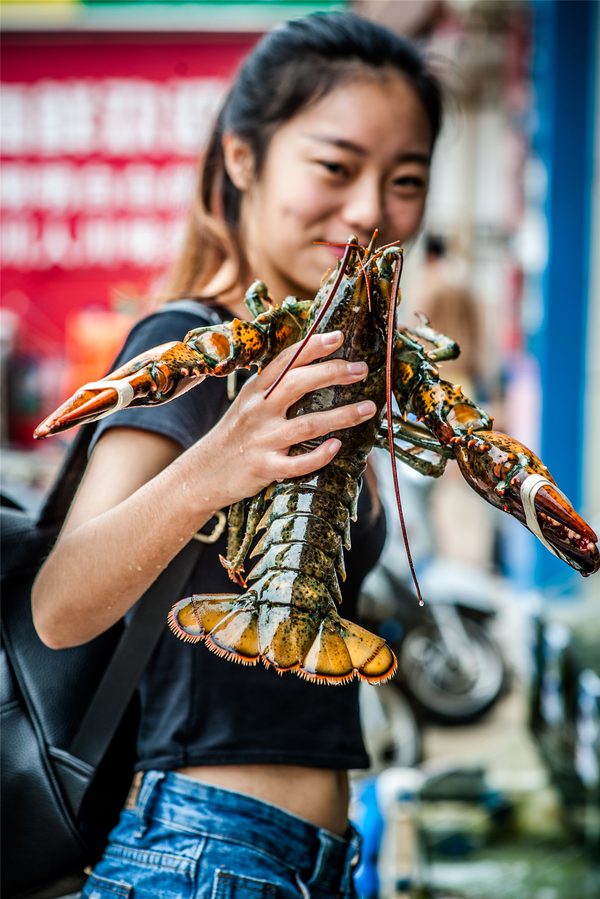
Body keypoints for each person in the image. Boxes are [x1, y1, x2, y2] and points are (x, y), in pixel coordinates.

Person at [32, 13, 442, 898]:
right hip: (199, 853)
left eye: (405, 179)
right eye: (335, 167)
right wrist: (217, 464)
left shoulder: (332, 358)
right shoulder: (191, 340)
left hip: (315, 860)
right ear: (244, 159)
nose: (371, 208)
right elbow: (60, 606)